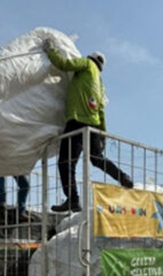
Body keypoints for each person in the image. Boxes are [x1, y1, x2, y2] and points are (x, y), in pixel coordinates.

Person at [44, 40, 133, 212]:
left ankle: (73, 199)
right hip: (92, 126)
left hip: (76, 121)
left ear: (90, 58)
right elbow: (101, 112)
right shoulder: (100, 84)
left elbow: (65, 64)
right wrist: (102, 136)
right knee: (97, 159)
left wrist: (51, 51)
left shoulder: (85, 64)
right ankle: (123, 177)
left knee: (66, 162)